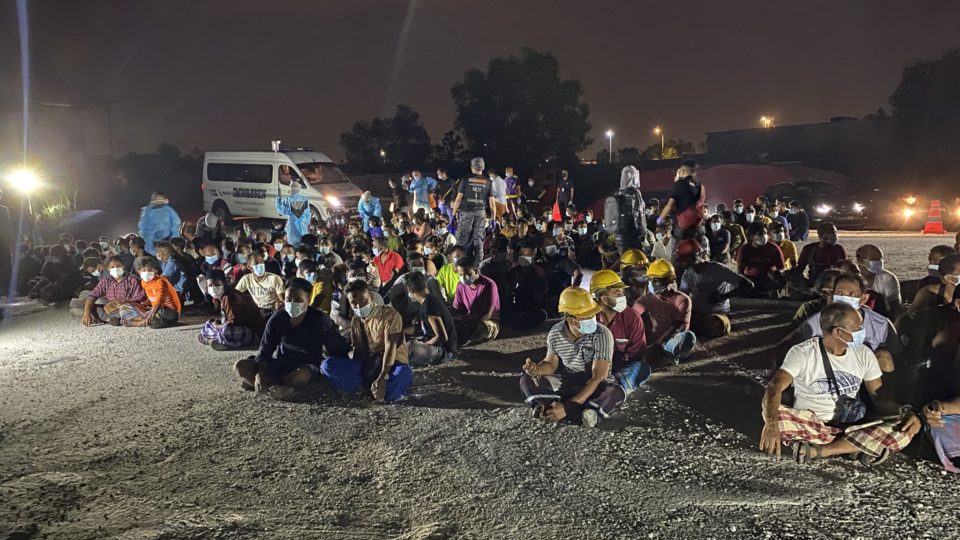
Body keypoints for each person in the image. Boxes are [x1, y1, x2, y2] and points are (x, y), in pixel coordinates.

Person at [759, 303, 920, 465]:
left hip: (852, 426)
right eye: (857, 328)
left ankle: (819, 450)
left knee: (904, 427)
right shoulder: (803, 352)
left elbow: (880, 399)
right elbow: (775, 387)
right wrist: (772, 423)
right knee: (775, 413)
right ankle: (856, 447)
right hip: (812, 424)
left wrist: (904, 411)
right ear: (837, 332)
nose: (862, 332)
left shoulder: (864, 353)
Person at [519, 287, 623, 427]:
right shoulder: (556, 332)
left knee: (614, 392)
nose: (592, 319)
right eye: (586, 316)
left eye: (592, 314)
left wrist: (567, 407)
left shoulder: (602, 334)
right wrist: (536, 370)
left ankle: (577, 411)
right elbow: (550, 364)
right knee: (527, 378)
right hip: (567, 384)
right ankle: (547, 407)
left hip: (595, 386)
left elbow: (598, 377)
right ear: (571, 319)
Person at [234, 278, 350, 399]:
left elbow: (335, 347)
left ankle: (265, 385)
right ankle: (275, 388)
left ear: (308, 300)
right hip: (280, 362)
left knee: (301, 376)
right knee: (240, 366)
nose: (292, 303)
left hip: (306, 365)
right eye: (288, 299)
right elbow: (265, 350)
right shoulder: (278, 318)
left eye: (298, 300)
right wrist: (260, 373)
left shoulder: (319, 319)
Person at [781, 273, 901, 374]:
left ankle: (883, 399)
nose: (844, 298)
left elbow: (897, 355)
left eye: (851, 294)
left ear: (863, 298)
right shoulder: (819, 320)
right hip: (827, 373)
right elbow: (788, 343)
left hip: (867, 374)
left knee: (884, 357)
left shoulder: (881, 324)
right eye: (840, 293)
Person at [321, 280, 413, 402]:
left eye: (362, 300)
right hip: (368, 365)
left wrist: (382, 377)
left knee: (402, 373)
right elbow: (358, 351)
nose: (359, 305)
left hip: (392, 365)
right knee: (327, 365)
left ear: (371, 296)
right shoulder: (356, 321)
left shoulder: (389, 314)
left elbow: (390, 348)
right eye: (354, 303)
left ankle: (381, 390)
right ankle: (366, 388)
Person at [590, 270, 652, 393]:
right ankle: (608, 390)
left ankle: (610, 387)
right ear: (604, 299)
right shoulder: (589, 318)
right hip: (593, 367)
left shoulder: (632, 318)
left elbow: (637, 355)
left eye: (622, 291)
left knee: (642, 369)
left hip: (620, 368)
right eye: (616, 292)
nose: (622, 295)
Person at [678, 240, 754, 339]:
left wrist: (722, 297)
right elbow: (683, 296)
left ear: (699, 254)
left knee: (714, 325)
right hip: (697, 314)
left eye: (689, 258)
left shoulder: (716, 268)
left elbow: (748, 284)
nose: (687, 262)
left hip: (718, 314)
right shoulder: (688, 273)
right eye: (685, 260)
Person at [633, 259, 696, 364]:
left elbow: (676, 328)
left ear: (669, 281)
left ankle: (667, 353)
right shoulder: (645, 299)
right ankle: (663, 356)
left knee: (688, 337)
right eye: (650, 279)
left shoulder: (682, 300)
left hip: (671, 342)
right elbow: (631, 318)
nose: (652, 283)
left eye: (656, 280)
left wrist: (656, 346)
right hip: (652, 341)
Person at [198, 270, 264, 350]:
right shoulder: (220, 298)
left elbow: (232, 324)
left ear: (224, 284)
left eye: (217, 284)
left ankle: (212, 340)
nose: (213, 288)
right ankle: (216, 340)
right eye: (210, 286)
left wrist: (217, 326)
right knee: (208, 324)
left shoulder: (230, 297)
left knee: (225, 332)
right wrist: (216, 324)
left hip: (253, 332)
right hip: (235, 327)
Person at [406, 271, 459, 366]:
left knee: (410, 347)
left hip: (444, 351)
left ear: (410, 290)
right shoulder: (427, 302)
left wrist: (423, 344)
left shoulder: (430, 305)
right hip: (436, 346)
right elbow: (421, 328)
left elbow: (442, 337)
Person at [81, 255, 149, 326]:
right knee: (87, 303)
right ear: (108, 268)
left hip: (128, 308)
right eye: (112, 267)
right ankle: (112, 319)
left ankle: (117, 319)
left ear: (123, 266)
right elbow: (92, 296)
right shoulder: (106, 280)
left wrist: (124, 301)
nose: (115, 269)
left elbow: (140, 298)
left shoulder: (132, 280)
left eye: (118, 266)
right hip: (112, 309)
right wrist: (86, 313)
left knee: (124, 309)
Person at [452, 158, 495, 262]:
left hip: (466, 212)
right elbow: (492, 203)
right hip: (481, 213)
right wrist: (493, 219)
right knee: (478, 239)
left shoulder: (465, 179)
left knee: (462, 239)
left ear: (472, 167)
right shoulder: (488, 181)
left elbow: (458, 199)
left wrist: (453, 215)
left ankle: (461, 263)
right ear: (483, 168)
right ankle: (477, 265)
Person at [451, 256, 499, 346]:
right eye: (461, 275)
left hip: (488, 320)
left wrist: (467, 322)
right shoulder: (460, 286)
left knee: (483, 328)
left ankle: (461, 340)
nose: (463, 277)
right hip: (469, 318)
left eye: (467, 274)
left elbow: (488, 314)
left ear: (476, 271)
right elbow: (457, 310)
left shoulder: (489, 285)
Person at [501, 242, 549, 330]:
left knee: (541, 314)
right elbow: (506, 294)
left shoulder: (539, 272)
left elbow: (541, 296)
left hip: (531, 307)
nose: (524, 257)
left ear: (533, 256)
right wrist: (514, 284)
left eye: (528, 255)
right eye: (522, 254)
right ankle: (518, 321)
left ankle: (518, 321)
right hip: (516, 306)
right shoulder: (513, 270)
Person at [123, 256, 181, 328]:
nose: (146, 272)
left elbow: (159, 302)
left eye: (150, 270)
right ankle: (145, 319)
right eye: (143, 270)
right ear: (139, 272)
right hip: (154, 309)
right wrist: (143, 305)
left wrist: (151, 314)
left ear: (155, 271)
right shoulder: (143, 282)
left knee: (154, 322)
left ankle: (138, 323)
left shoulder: (160, 282)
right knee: (126, 306)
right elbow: (151, 297)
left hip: (169, 311)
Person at [658, 159, 705, 239]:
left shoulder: (679, 184)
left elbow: (669, 206)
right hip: (698, 226)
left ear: (682, 171)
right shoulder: (700, 186)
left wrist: (660, 219)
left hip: (683, 227)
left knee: (676, 249)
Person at [736, 222, 786, 294]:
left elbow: (782, 267)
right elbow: (740, 270)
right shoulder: (744, 249)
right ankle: (763, 292)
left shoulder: (773, 248)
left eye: (765, 233)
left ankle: (760, 292)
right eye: (760, 234)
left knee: (782, 280)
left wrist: (776, 273)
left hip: (768, 279)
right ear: (752, 236)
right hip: (751, 278)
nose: (764, 236)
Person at [855, 244, 901, 319]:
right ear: (860, 260)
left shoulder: (888, 278)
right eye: (874, 260)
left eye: (879, 259)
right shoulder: (851, 279)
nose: (878, 263)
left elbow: (895, 306)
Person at [610, 165, 646, 254]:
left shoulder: (618, 193)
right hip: (633, 235)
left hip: (620, 235)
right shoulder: (635, 193)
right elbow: (640, 215)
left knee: (624, 260)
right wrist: (642, 233)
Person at [275, 182, 311, 248]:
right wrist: (307, 223)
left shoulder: (288, 199)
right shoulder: (305, 199)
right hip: (303, 226)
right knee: (303, 244)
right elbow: (308, 214)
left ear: (291, 189)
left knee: (293, 246)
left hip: (292, 227)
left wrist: (278, 199)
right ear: (299, 189)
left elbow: (282, 210)